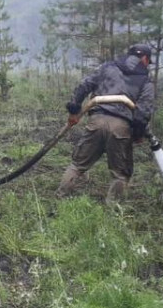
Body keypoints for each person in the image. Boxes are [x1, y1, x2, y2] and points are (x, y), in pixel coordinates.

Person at [58, 43, 156, 201]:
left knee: (77, 166)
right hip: (121, 127)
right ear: (144, 58)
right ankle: (113, 213)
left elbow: (84, 85)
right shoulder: (146, 80)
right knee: (121, 174)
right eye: (148, 61)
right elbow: (143, 112)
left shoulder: (108, 67)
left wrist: (74, 110)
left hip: (96, 121)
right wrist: (138, 135)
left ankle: (60, 198)